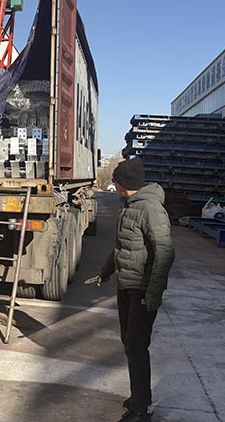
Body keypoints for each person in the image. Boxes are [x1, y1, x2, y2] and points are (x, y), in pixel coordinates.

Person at [87, 157, 175, 422]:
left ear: (125, 183)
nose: (113, 184)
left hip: (141, 289)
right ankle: (139, 396)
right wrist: (105, 272)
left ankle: (140, 410)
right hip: (126, 285)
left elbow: (165, 253)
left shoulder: (150, 209)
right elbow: (122, 248)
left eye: (115, 180)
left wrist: (153, 293)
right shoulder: (128, 205)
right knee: (130, 343)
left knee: (137, 346)